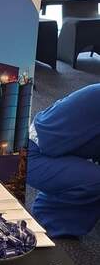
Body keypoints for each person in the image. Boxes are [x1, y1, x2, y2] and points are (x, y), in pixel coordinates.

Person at [27, 84, 100, 238]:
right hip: (31, 155)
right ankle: (48, 220)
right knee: (95, 181)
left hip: (52, 150)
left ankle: (61, 191)